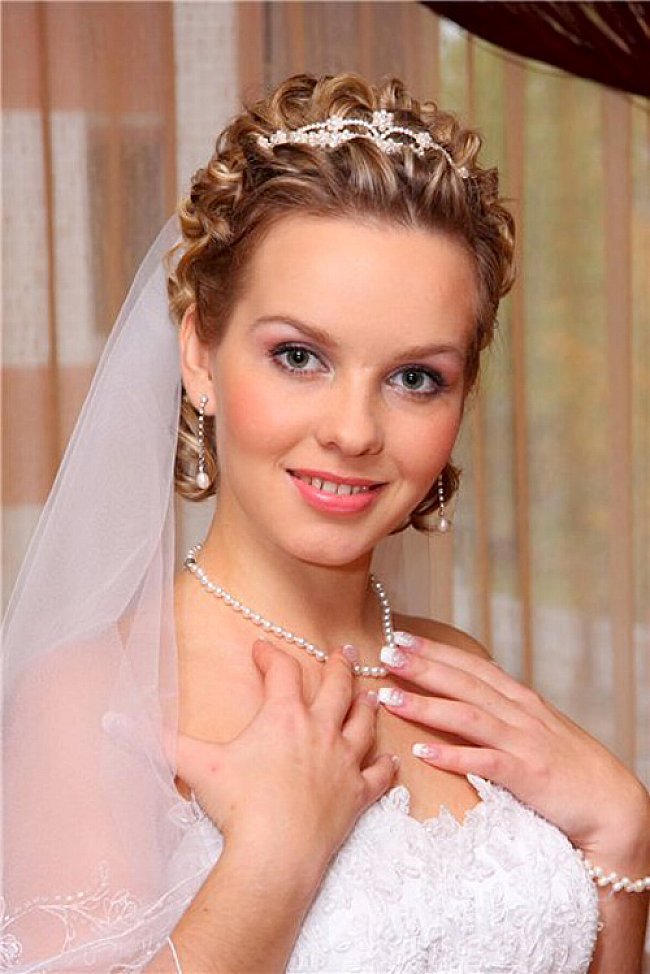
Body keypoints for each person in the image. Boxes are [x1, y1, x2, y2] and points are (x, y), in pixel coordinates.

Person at [1, 72, 648, 974]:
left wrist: (622, 839)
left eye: (416, 376)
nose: (352, 431)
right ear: (200, 354)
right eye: (299, 356)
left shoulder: (455, 672)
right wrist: (275, 860)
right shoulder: (94, 697)